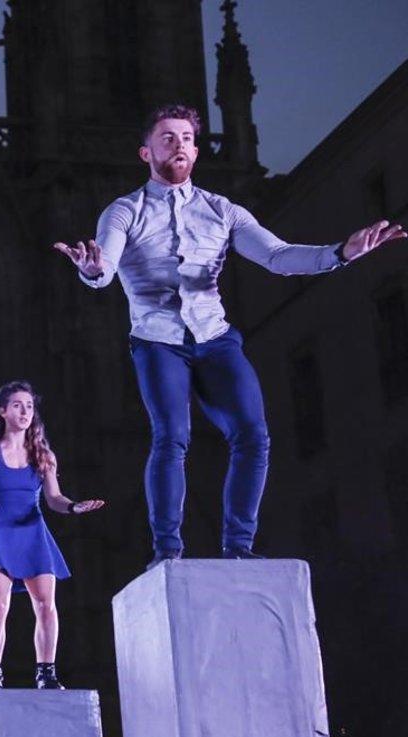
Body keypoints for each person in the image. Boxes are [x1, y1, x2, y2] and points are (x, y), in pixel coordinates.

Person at [54, 104, 404, 570]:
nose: (177, 144)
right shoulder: (124, 212)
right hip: (158, 340)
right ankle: (167, 552)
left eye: (184, 138)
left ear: (196, 151)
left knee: (253, 435)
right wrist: (94, 270)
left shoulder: (223, 212)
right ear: (146, 152)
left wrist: (341, 253)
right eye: (166, 137)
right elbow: (105, 264)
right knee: (172, 438)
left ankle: (238, 546)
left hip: (215, 337)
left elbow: (278, 256)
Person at [0, 381, 105, 689]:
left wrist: (74, 507)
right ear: (2, 411)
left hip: (32, 531)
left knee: (45, 605)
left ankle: (46, 672)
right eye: (17, 405)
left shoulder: (43, 455)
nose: (25, 411)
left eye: (29, 406)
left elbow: (54, 498)